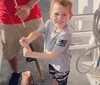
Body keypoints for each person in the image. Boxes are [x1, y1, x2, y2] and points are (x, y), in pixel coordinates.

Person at [19, 0, 73, 85]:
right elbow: (37, 32)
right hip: (51, 62)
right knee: (53, 78)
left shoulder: (66, 34)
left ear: (70, 16)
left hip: (61, 67)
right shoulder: (49, 23)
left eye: (64, 14)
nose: (60, 18)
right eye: (56, 14)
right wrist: (28, 39)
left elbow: (52, 54)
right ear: (50, 14)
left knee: (61, 82)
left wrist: (31, 54)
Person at [0, 0, 43, 85]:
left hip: (31, 15)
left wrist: (29, 6)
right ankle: (15, 73)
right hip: (6, 18)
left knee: (39, 47)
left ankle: (33, 59)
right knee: (9, 51)